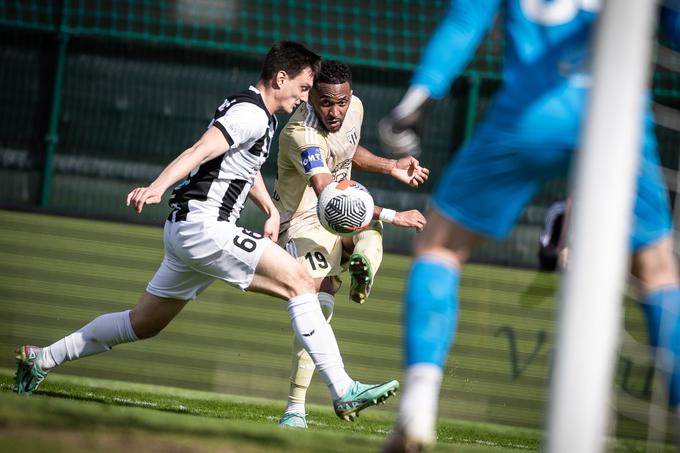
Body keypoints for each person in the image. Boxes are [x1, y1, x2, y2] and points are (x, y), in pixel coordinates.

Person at [13, 41, 400, 422]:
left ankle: (42, 357)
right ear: (281, 78)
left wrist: (267, 209)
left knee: (142, 323)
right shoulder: (250, 114)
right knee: (302, 282)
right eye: (302, 88)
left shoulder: (257, 114)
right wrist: (158, 186)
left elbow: (240, 168)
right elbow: (199, 151)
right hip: (204, 227)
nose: (304, 98)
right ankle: (343, 389)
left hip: (188, 232)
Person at [378, 2, 680, 451]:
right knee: (657, 274)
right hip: (618, 115)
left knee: (440, 247)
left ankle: (418, 409)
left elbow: (466, 21)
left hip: (530, 115)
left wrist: (419, 96)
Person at [272, 59, 429, 428]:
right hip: (301, 223)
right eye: (326, 103)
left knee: (370, 234)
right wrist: (394, 214)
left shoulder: (353, 109)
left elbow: (348, 150)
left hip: (338, 211)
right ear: (311, 98)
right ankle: (295, 410)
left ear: (350, 95)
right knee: (319, 309)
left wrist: (390, 166)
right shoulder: (299, 135)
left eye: (341, 101)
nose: (335, 111)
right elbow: (331, 196)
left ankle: (363, 270)